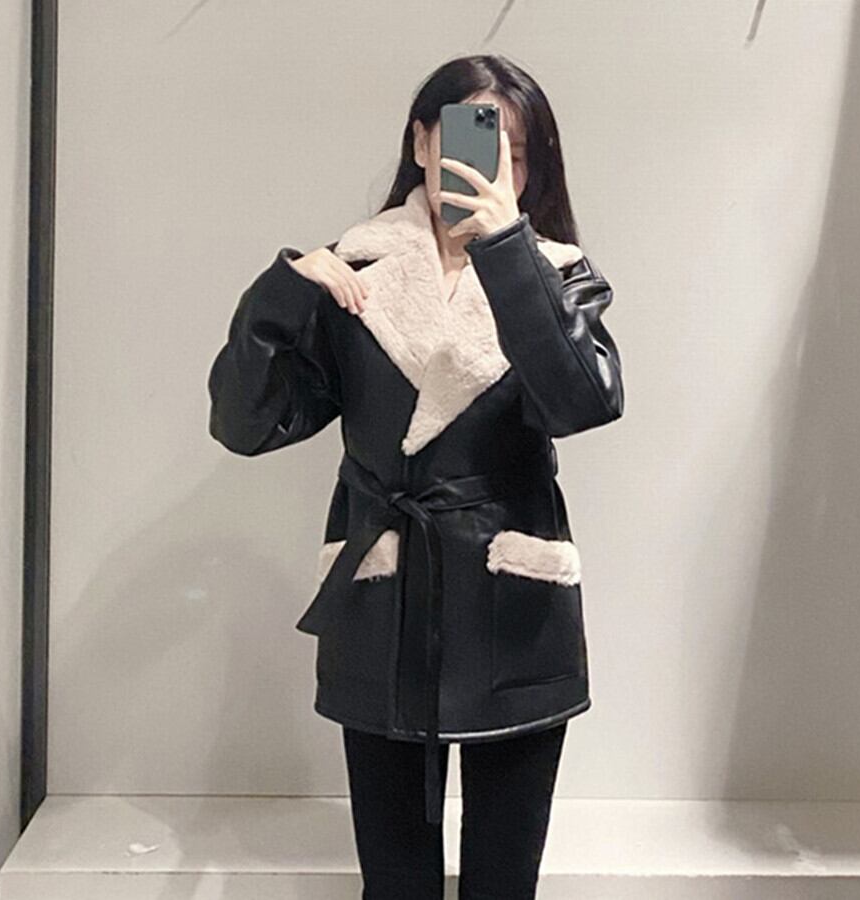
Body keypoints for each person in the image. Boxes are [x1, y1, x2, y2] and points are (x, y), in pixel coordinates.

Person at [207, 53, 624, 900]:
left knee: (504, 882)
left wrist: (506, 253)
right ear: (424, 141)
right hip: (386, 599)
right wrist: (280, 300)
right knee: (395, 883)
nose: (490, 166)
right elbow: (244, 426)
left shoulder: (558, 275)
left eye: (513, 153)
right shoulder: (353, 270)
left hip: (513, 600)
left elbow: (581, 403)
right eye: (472, 139)